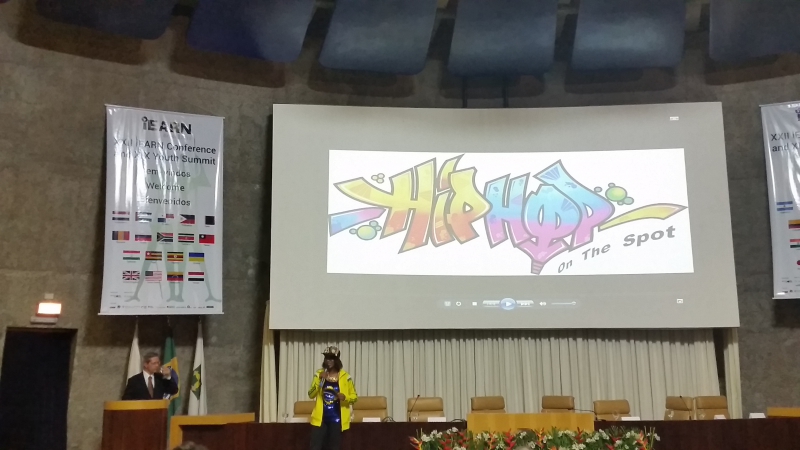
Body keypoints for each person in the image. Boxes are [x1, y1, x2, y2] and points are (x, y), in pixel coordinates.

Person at [308, 346, 357, 450]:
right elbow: (311, 394)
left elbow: (354, 397)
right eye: (326, 358)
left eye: (331, 358)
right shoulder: (319, 374)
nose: (328, 361)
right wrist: (319, 380)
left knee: (334, 447)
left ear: (337, 360)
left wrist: (345, 397)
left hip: (337, 420)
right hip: (320, 420)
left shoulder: (346, 376)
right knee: (315, 447)